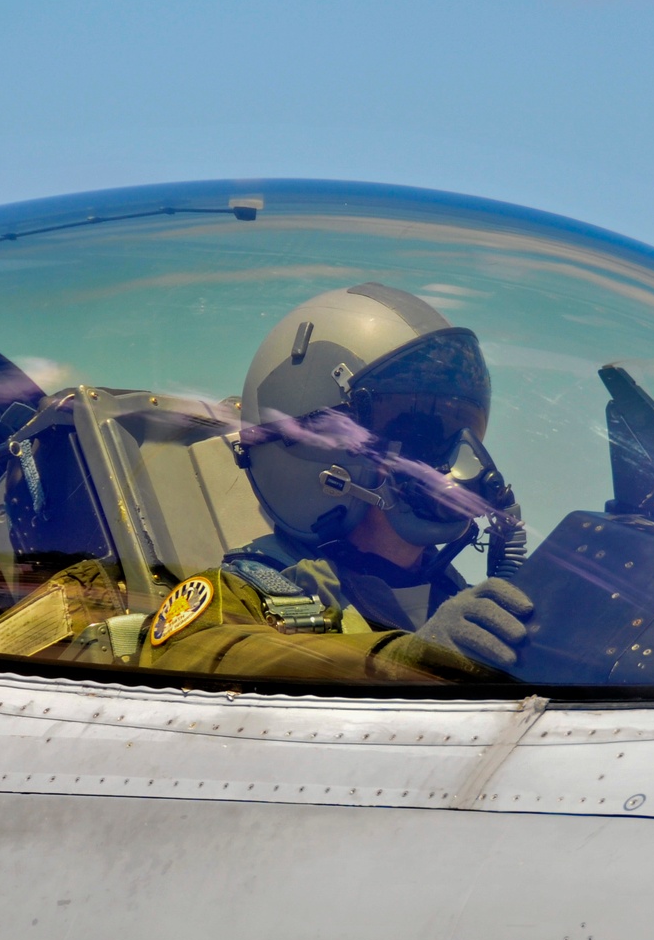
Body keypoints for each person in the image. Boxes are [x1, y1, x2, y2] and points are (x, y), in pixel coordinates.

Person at [133, 283, 534, 683]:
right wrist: (405, 660)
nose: (454, 459)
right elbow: (201, 656)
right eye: (415, 431)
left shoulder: (458, 606)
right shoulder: (246, 595)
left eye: (457, 431)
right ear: (317, 453)